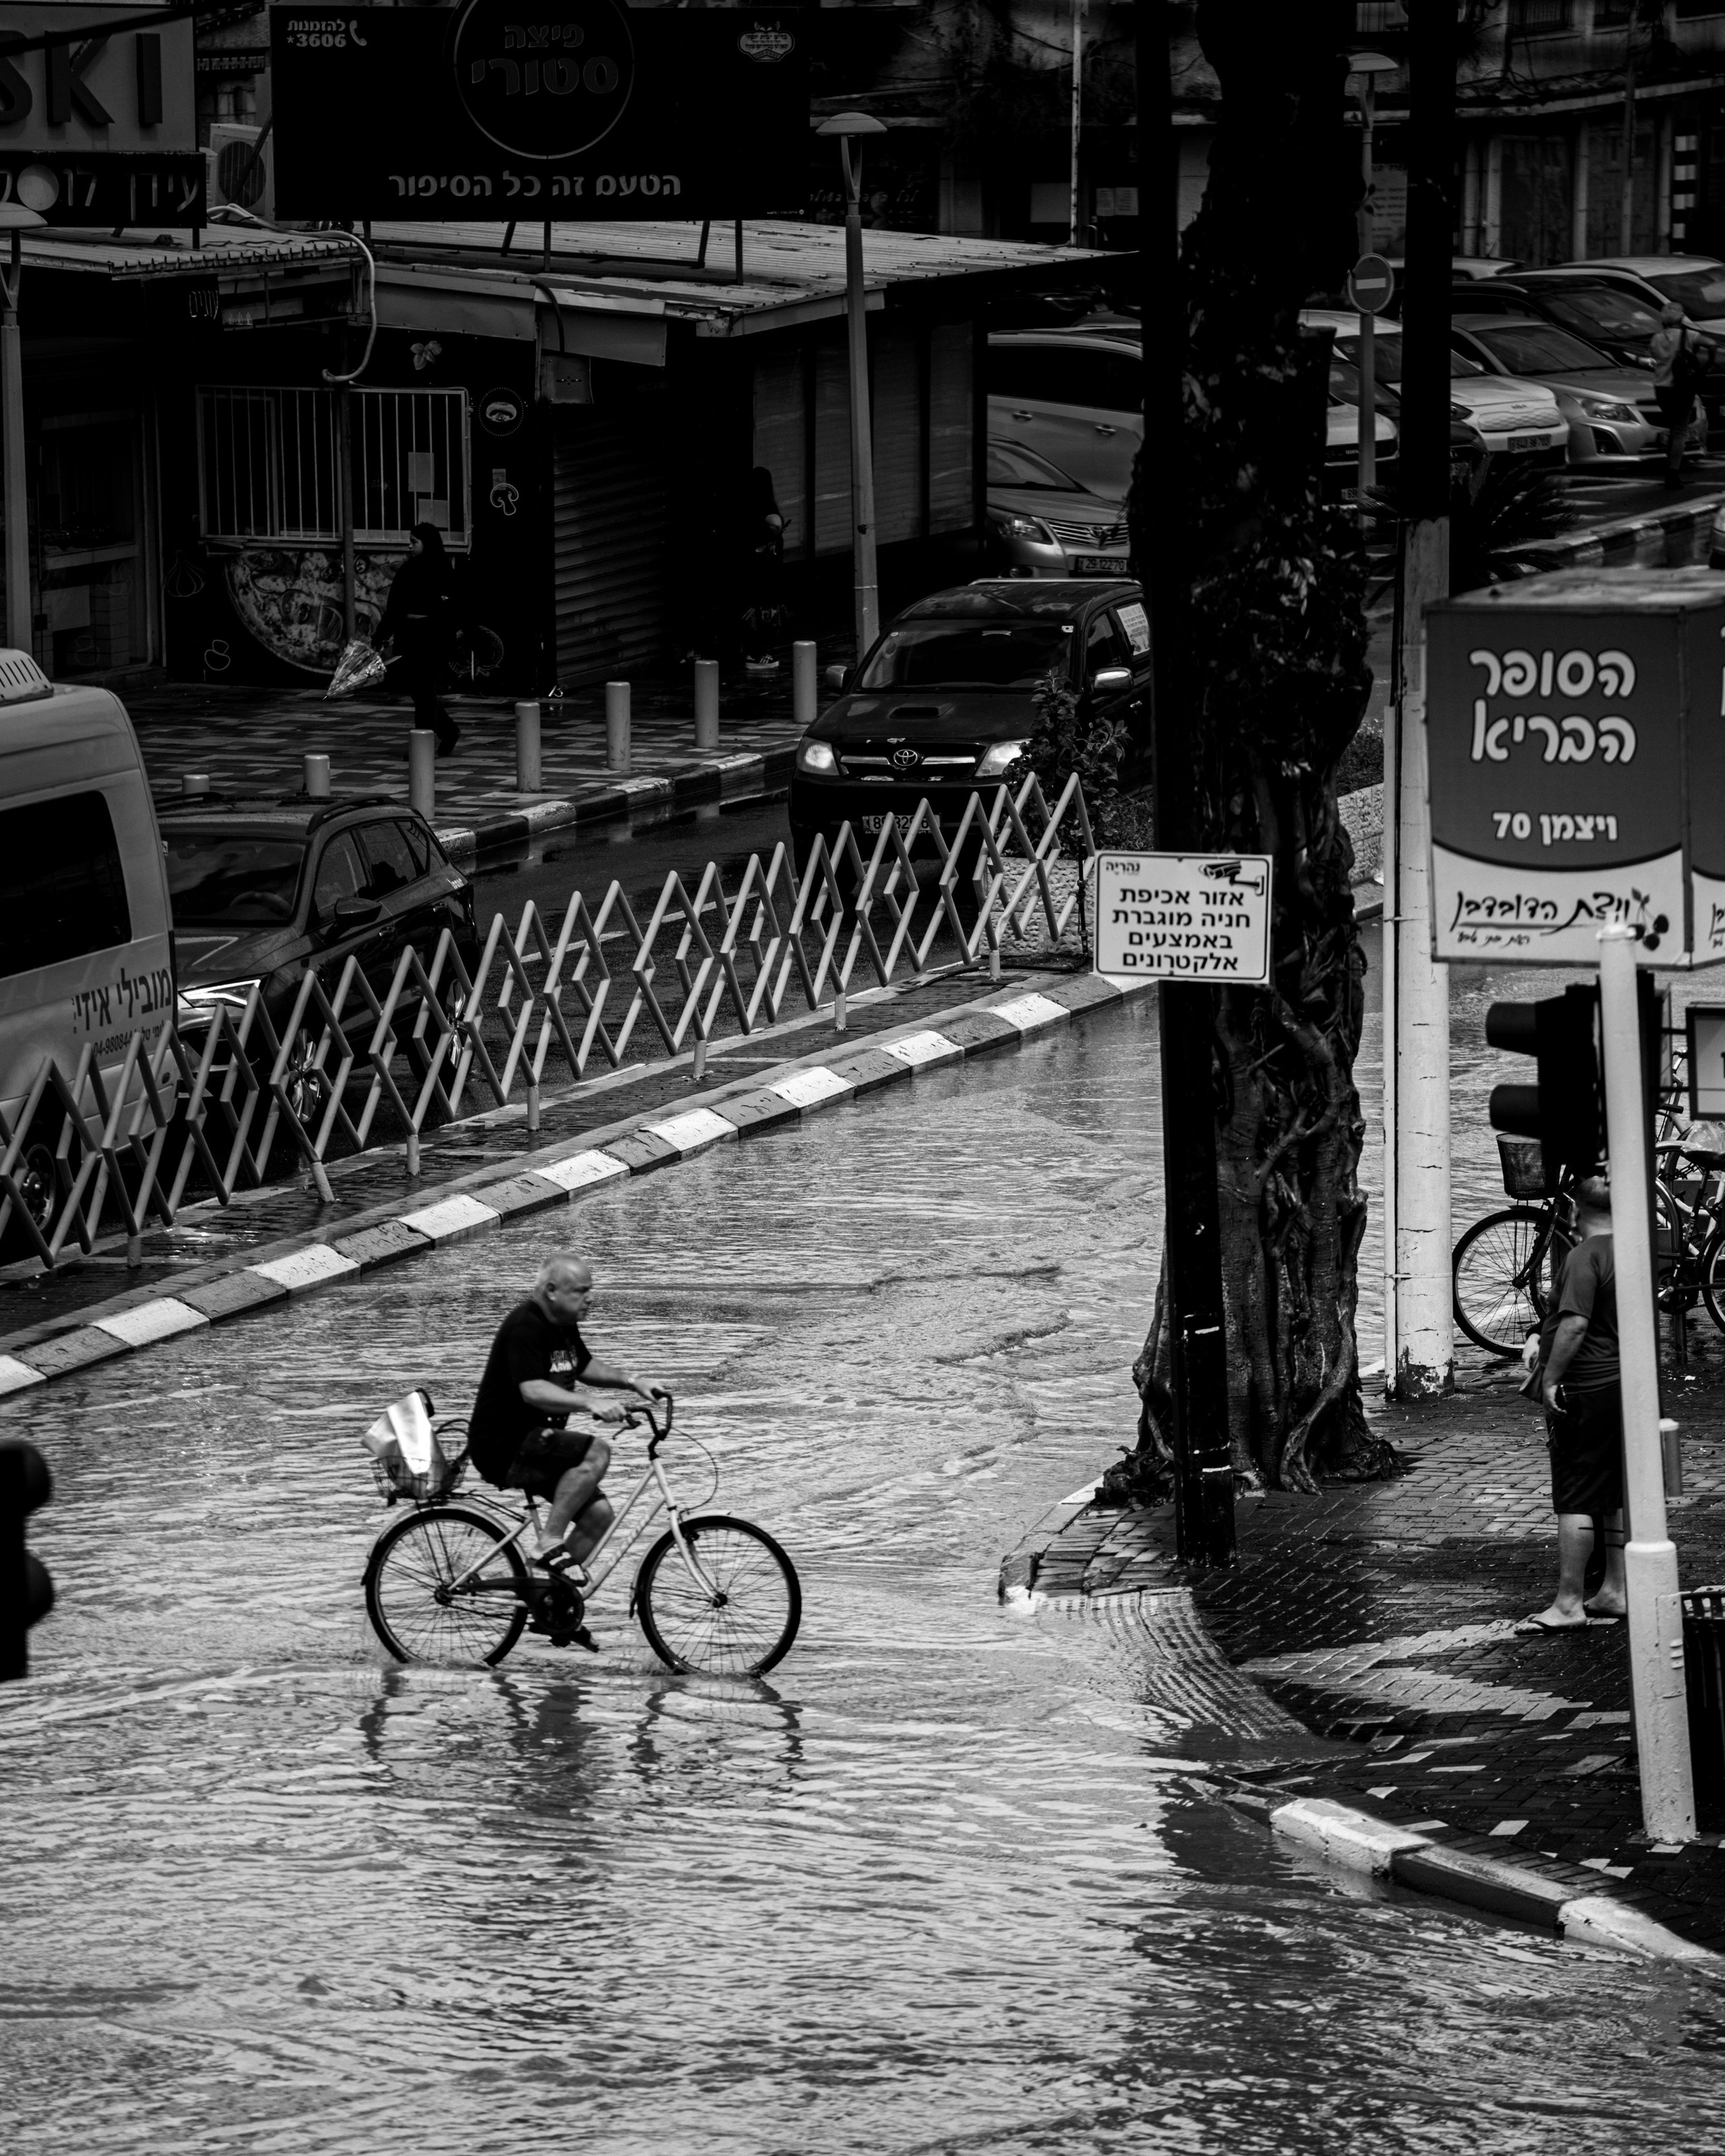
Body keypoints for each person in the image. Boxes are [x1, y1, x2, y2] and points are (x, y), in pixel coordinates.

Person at [467, 1255, 666, 1580]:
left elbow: (584, 1367)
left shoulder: (562, 1325)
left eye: (591, 1289)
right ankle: (549, 1542)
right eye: (580, 1291)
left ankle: (544, 1597)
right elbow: (532, 1390)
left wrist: (633, 1382)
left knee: (599, 1517)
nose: (590, 1298)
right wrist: (591, 1403)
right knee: (597, 1451)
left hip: (537, 1442)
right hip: (505, 1445)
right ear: (551, 1291)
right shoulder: (525, 1326)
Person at [1519, 1172, 1627, 1632]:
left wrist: (1550, 1378)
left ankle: (1568, 1602)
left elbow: (1575, 1325)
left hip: (1587, 1386)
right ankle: (1616, 1589)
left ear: (1573, 1212)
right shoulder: (1634, 1250)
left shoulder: (1585, 1256)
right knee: (1612, 1490)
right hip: (1623, 1385)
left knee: (1577, 1495)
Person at [377, 521, 460, 756]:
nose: (410, 546)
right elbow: (394, 607)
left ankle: (422, 750)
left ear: (427, 543)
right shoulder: (408, 570)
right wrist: (381, 636)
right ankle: (449, 731)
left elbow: (452, 606)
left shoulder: (443, 569)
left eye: (414, 542)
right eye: (410, 541)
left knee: (424, 693)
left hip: (432, 638)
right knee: (420, 692)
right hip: (409, 637)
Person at [1650, 301, 1710, 488]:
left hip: (1662, 389)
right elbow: (1712, 344)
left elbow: (1655, 358)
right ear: (1681, 318)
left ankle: (1670, 469)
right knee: (1680, 432)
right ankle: (1673, 472)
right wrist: (1704, 368)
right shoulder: (1689, 335)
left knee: (1672, 428)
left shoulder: (1656, 338)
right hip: (1682, 388)